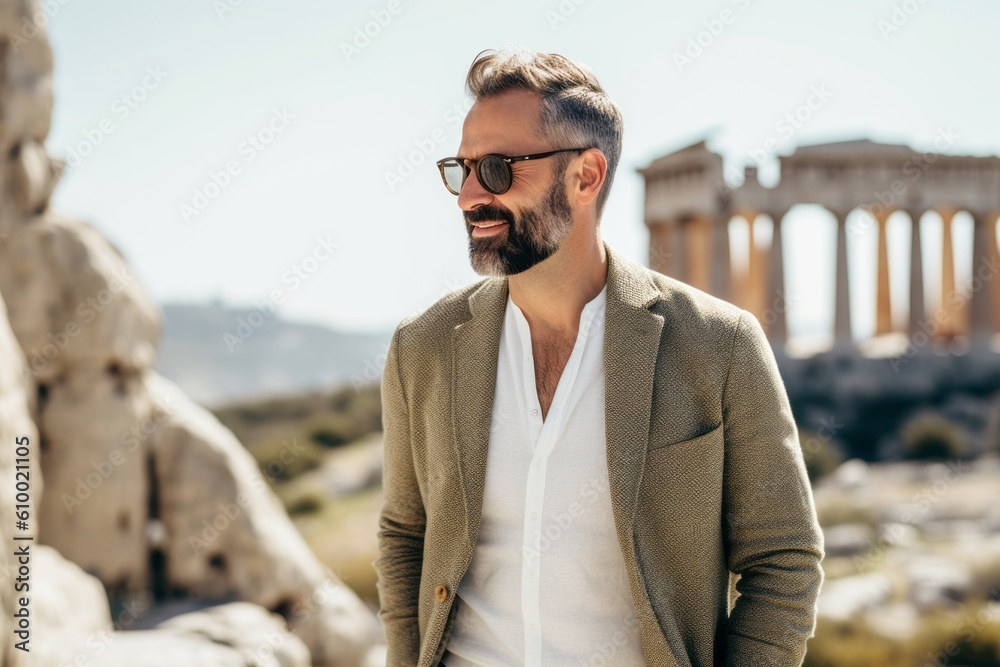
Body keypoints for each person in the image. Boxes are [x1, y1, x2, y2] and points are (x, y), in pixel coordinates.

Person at [374, 47, 824, 667]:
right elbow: (405, 536)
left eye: (499, 169)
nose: (468, 197)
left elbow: (783, 560)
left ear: (585, 176)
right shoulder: (420, 347)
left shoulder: (720, 345)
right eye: (463, 169)